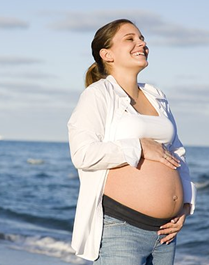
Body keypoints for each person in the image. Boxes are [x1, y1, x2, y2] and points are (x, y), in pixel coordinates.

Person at [67, 19, 196, 265]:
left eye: (142, 38)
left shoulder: (156, 95)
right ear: (107, 54)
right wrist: (139, 146)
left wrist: (185, 205)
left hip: (165, 234)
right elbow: (83, 154)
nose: (142, 43)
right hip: (122, 229)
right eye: (130, 39)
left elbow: (177, 152)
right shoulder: (98, 94)